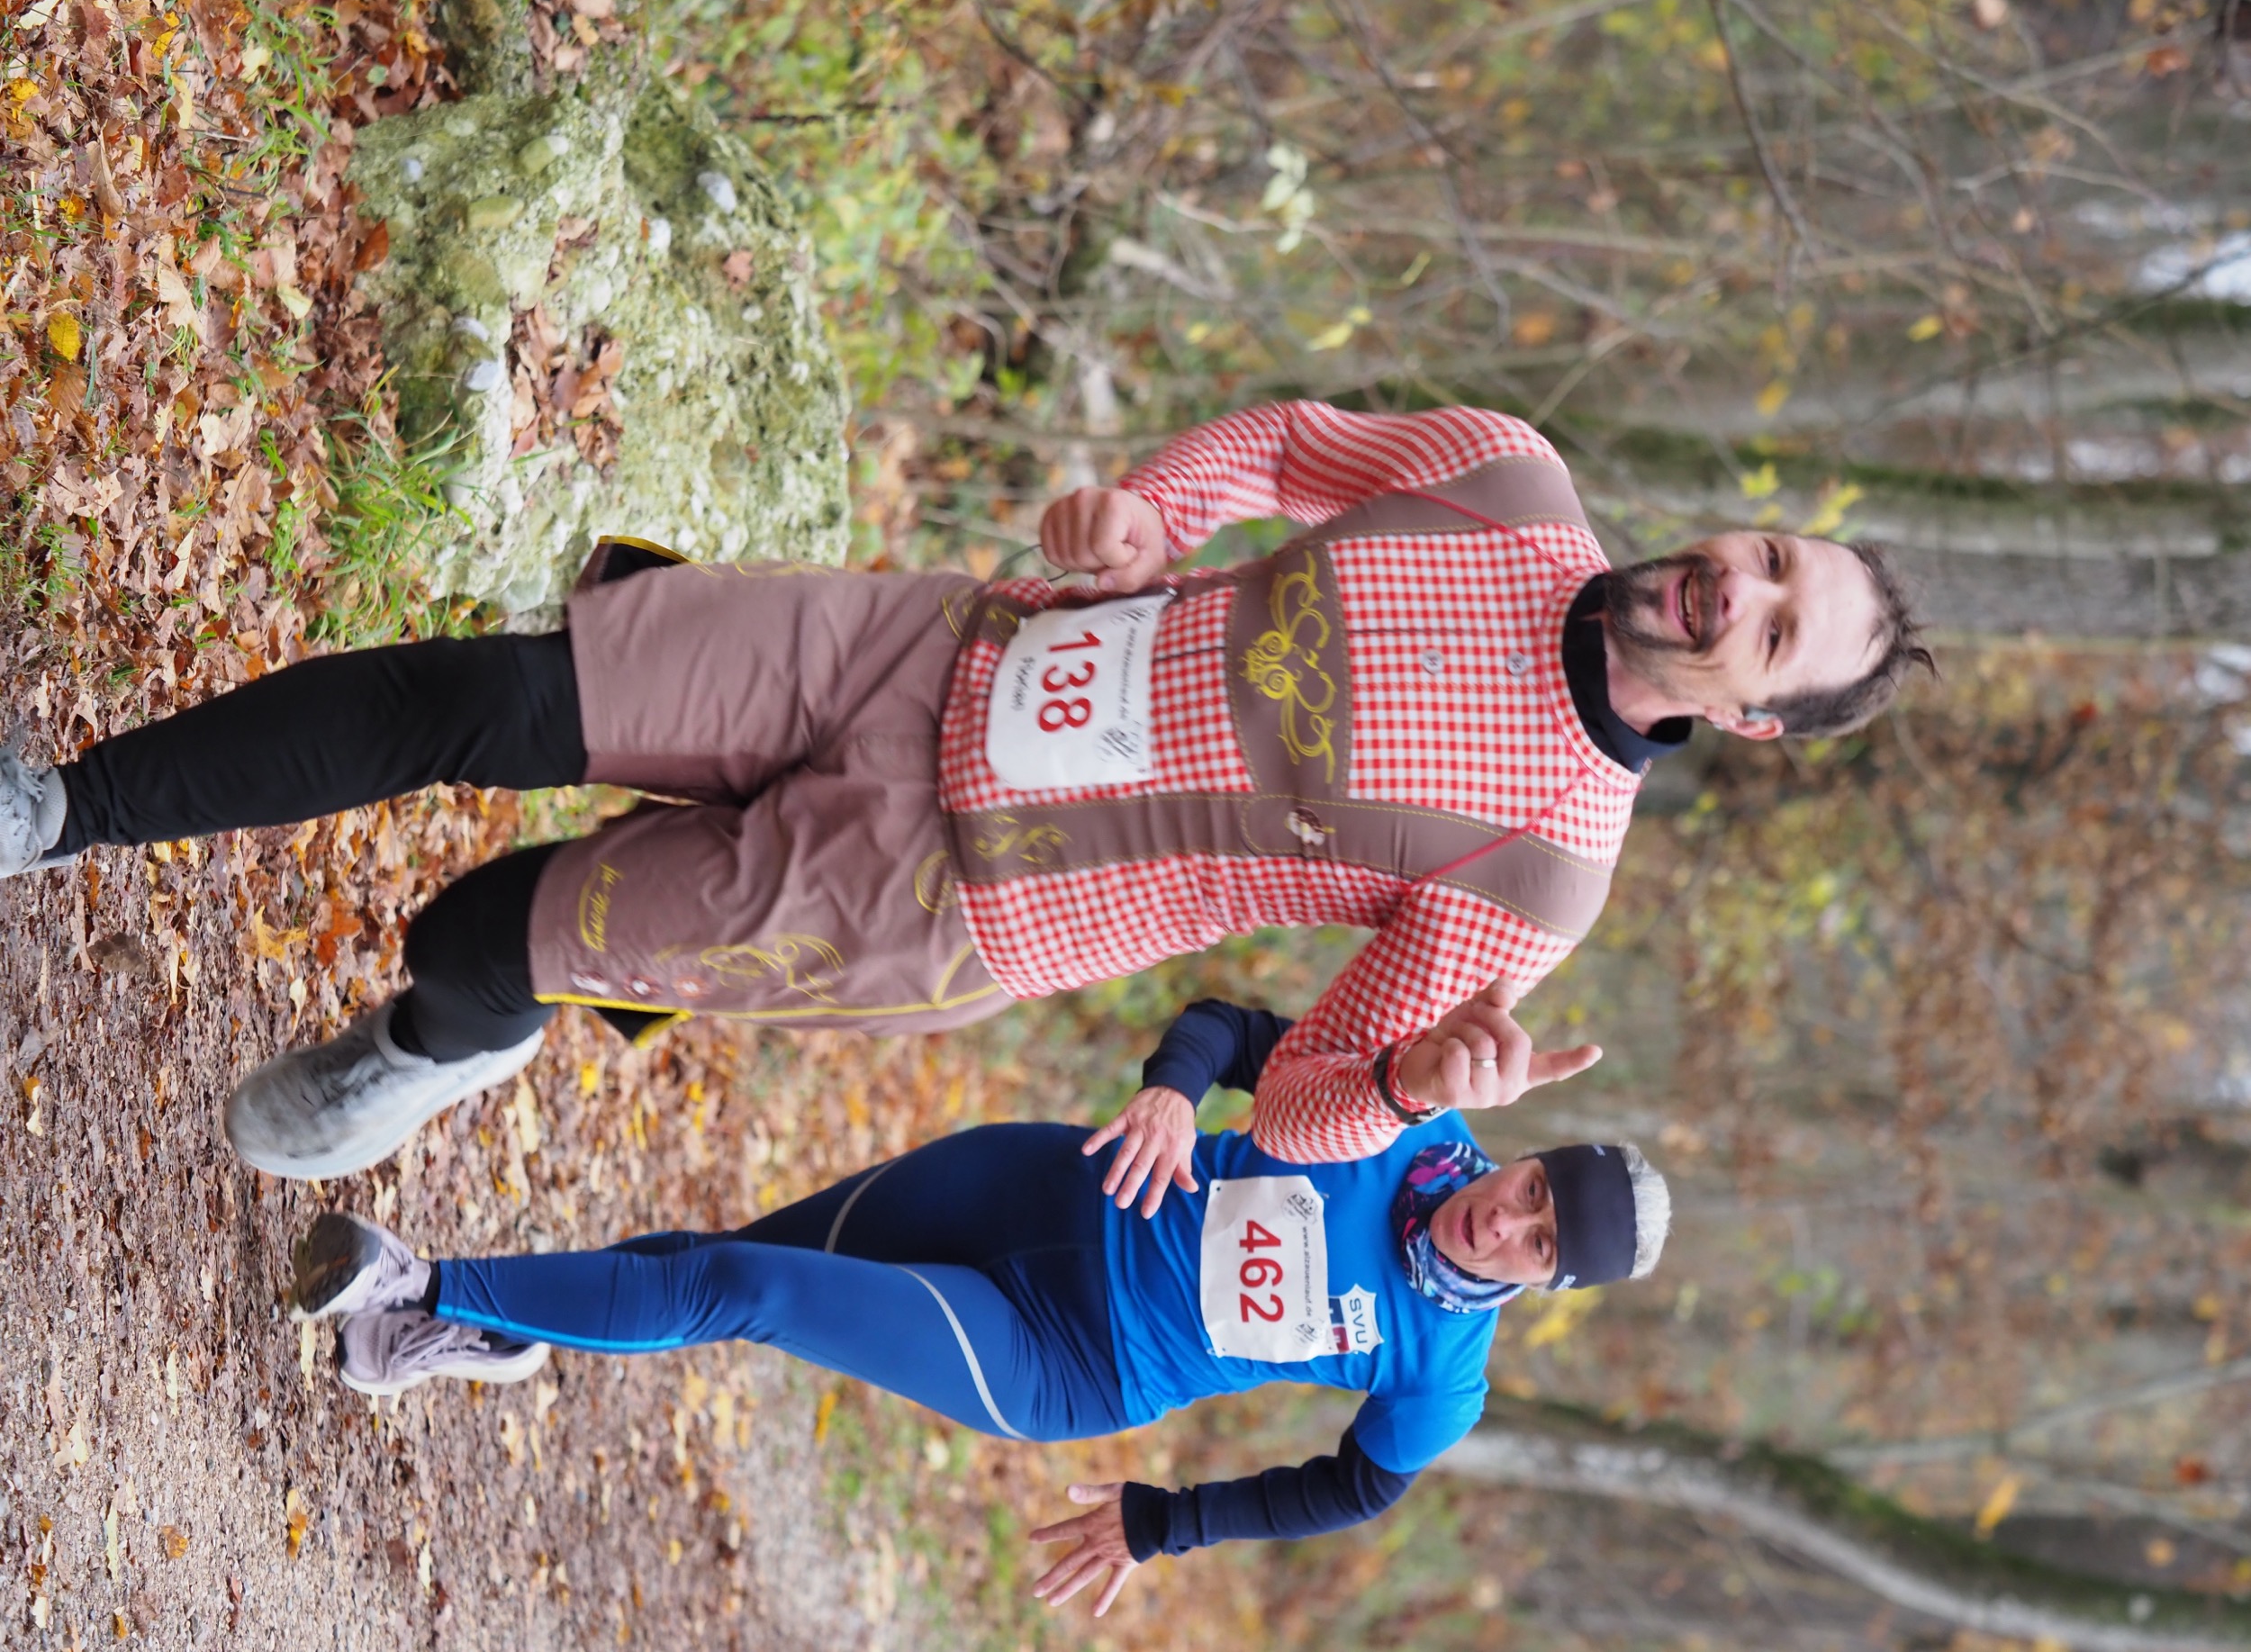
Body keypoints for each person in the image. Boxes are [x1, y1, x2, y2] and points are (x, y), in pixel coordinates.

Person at [0, 401, 1932, 1178]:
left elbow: (1304, 1101)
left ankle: (435, 1040)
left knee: (481, 928)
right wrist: (1148, 510)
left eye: (1773, 627)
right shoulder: (1506, 478)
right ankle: (58, 810)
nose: (1731, 585)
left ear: (1750, 716)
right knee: (489, 697)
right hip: (930, 645)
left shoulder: (1541, 879)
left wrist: (1421, 1086)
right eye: (1764, 552)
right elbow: (1284, 446)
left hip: (950, 891)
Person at [286, 996, 1672, 1616]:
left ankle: (420, 1284)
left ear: (1544, 1281)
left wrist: (1165, 1522)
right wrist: (1174, 1092)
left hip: (1059, 1359)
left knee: (746, 1291)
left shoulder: (1445, 1375)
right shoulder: (1399, 1113)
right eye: (1539, 1188)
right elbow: (1235, 1028)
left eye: (1541, 1242)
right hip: (1031, 1185)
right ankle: (466, 1336)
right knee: (714, 1265)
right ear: (1532, 1155)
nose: (1512, 1219)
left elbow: (1354, 1496)